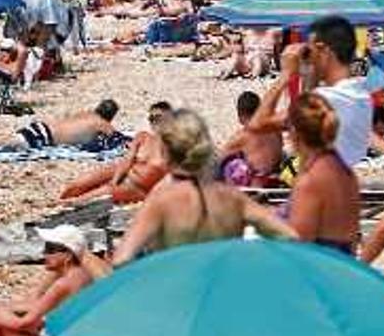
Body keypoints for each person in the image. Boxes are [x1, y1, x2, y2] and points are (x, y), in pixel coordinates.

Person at [111, 109, 299, 267]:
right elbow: (289, 236)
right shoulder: (232, 197)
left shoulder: (161, 200)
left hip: (181, 296)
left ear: (166, 153)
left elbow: (121, 259)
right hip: (224, 290)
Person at [0, 225, 106, 336]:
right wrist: (1, 307)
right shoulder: (83, 276)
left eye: (50, 249)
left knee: (1, 323)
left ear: (68, 255)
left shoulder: (63, 284)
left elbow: (24, 323)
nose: (44, 254)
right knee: (1, 316)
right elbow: (40, 305)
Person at [249, 16, 372, 168]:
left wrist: (285, 75)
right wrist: (309, 73)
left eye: (311, 51)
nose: (310, 58)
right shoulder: (360, 94)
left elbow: (257, 124)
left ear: (324, 51)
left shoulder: (327, 99)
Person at [285, 93, 361, 254]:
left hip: (320, 274)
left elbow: (299, 250)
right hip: (343, 268)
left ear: (295, 134)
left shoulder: (310, 182)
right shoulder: (345, 172)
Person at [59, 101, 172, 204]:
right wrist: (115, 180)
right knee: (75, 186)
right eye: (151, 119)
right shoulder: (143, 136)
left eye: (158, 117)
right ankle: (63, 199)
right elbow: (126, 161)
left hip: (137, 187)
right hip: (125, 170)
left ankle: (62, 205)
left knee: (83, 200)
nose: (154, 122)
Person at [0, 100, 120, 154]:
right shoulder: (102, 124)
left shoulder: (85, 113)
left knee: (1, 137)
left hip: (40, 127)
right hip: (43, 138)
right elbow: (118, 140)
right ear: (110, 117)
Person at [218, 91, 283, 187]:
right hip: (277, 180)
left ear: (240, 115)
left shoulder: (242, 136)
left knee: (228, 167)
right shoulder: (275, 131)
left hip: (257, 187)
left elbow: (218, 159)